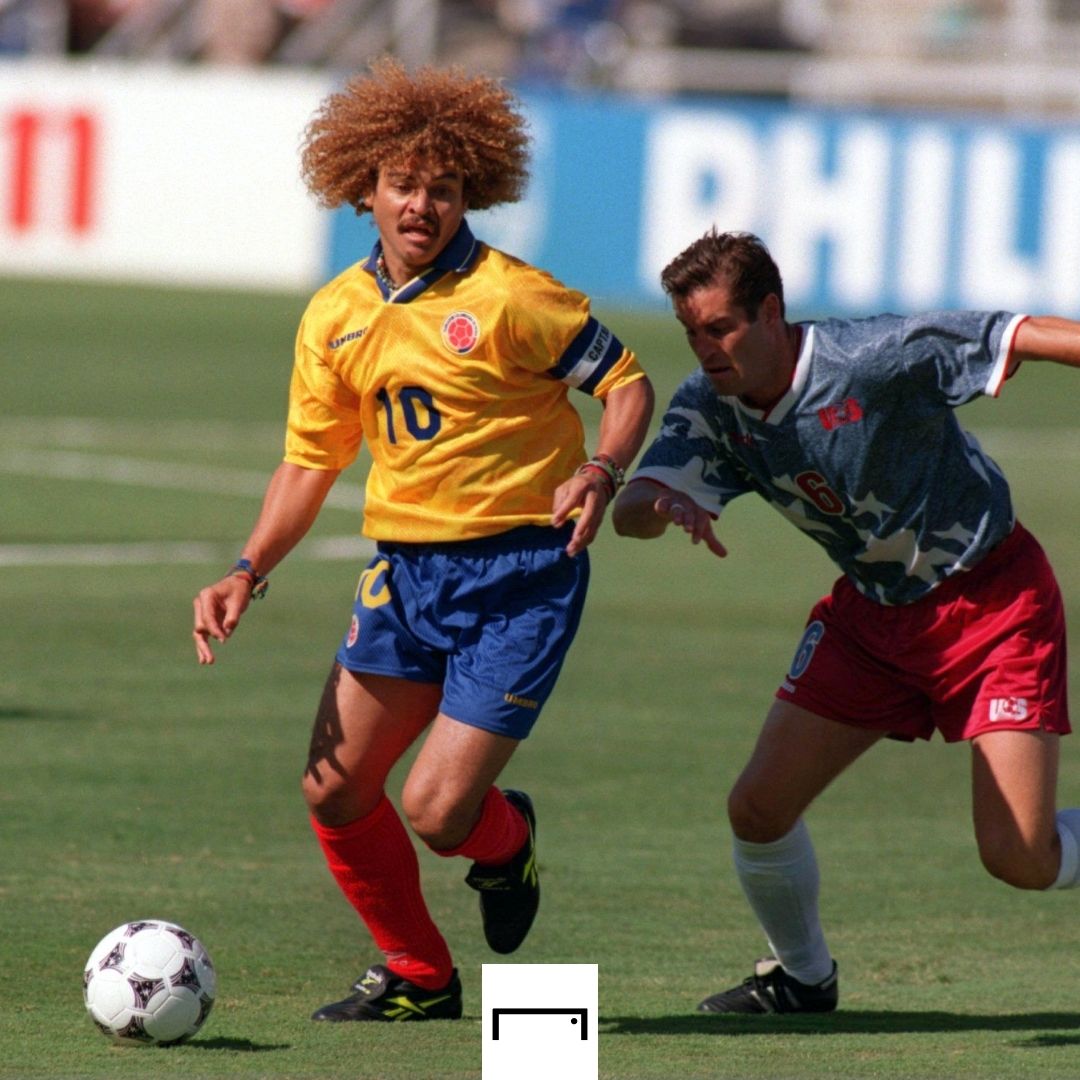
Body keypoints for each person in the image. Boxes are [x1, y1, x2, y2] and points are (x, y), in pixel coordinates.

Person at [191, 58, 653, 1022]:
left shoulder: (513, 296)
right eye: (405, 184)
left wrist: (600, 471)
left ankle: (506, 840)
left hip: (522, 576)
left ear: (468, 193)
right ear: (365, 187)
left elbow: (628, 383)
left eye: (444, 188)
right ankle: (419, 974)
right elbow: (309, 465)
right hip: (406, 577)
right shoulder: (335, 315)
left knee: (438, 813)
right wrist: (247, 569)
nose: (423, 204)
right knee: (333, 789)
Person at [612, 228, 1080, 1015]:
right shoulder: (711, 404)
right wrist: (660, 502)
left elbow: (1019, 333)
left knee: (1020, 858)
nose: (705, 349)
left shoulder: (872, 355)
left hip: (992, 605)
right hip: (872, 618)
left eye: (720, 328)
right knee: (756, 810)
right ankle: (802, 978)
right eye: (693, 333)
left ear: (771, 313)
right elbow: (631, 512)